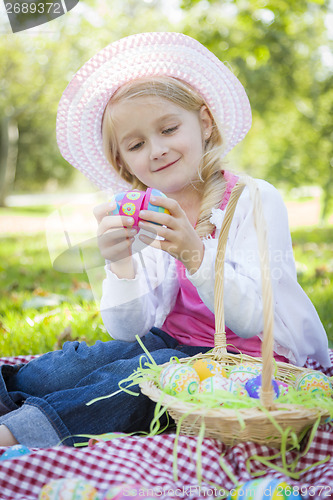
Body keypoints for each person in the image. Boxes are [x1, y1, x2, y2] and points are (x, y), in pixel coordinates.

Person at [0, 32, 330, 448]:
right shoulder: (150, 211)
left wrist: (195, 253)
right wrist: (119, 266)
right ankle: (11, 397)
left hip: (251, 357)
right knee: (72, 366)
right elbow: (129, 331)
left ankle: (15, 434)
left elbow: (253, 318)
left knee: (142, 376)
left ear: (205, 123)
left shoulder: (254, 200)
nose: (156, 150)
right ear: (124, 161)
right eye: (136, 144)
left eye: (169, 128)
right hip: (173, 341)